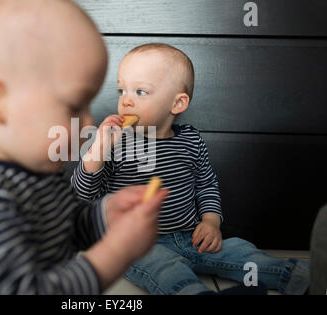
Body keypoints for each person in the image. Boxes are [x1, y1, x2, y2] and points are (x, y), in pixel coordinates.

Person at [0, 0, 169, 294]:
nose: (87, 124)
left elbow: (60, 230)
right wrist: (117, 251)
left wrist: (105, 215)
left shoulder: (32, 169)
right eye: (74, 105)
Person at [71, 43, 309, 295]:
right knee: (165, 269)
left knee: (242, 251)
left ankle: (303, 279)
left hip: (190, 237)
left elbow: (206, 185)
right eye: (122, 90)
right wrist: (97, 150)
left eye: (140, 91)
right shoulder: (115, 142)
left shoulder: (191, 141)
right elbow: (84, 195)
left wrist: (211, 222)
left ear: (178, 104)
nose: (126, 101)